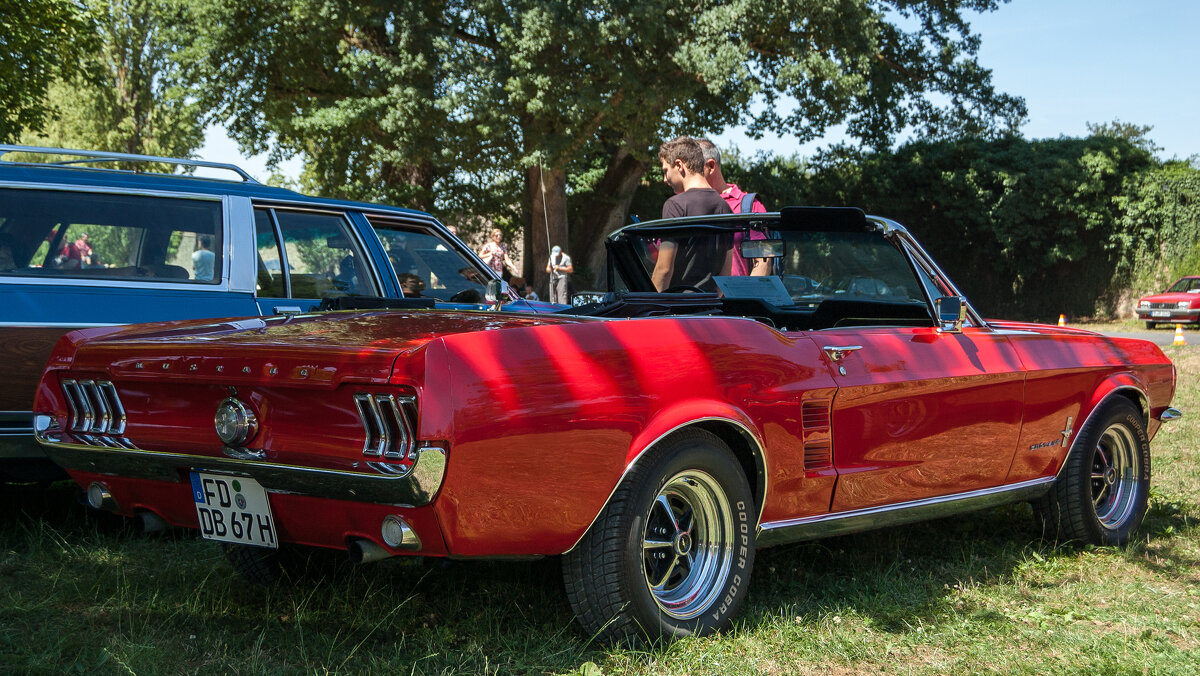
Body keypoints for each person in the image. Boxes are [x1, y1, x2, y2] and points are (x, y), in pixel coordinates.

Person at [653, 136, 732, 291]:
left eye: (665, 171)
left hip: (678, 306)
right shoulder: (724, 207)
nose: (664, 179)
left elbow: (664, 269)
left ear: (679, 165)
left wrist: (649, 306)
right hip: (708, 307)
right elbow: (725, 273)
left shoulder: (674, 205)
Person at [697, 138, 771, 277]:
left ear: (711, 166)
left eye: (692, 169)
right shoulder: (684, 205)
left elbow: (763, 260)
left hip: (736, 298)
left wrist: (746, 298)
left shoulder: (749, 206)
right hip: (695, 298)